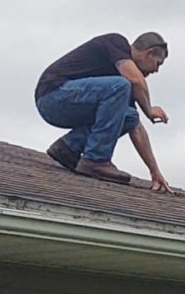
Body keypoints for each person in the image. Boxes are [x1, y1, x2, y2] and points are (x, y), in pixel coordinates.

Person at [35, 32, 171, 191]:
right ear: (149, 53)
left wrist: (155, 172)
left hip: (67, 105)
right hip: (53, 96)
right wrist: (149, 110)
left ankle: (69, 147)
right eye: (158, 63)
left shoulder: (115, 89)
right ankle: (96, 159)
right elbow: (136, 80)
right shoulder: (117, 43)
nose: (156, 71)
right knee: (121, 85)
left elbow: (137, 129)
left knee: (130, 117)